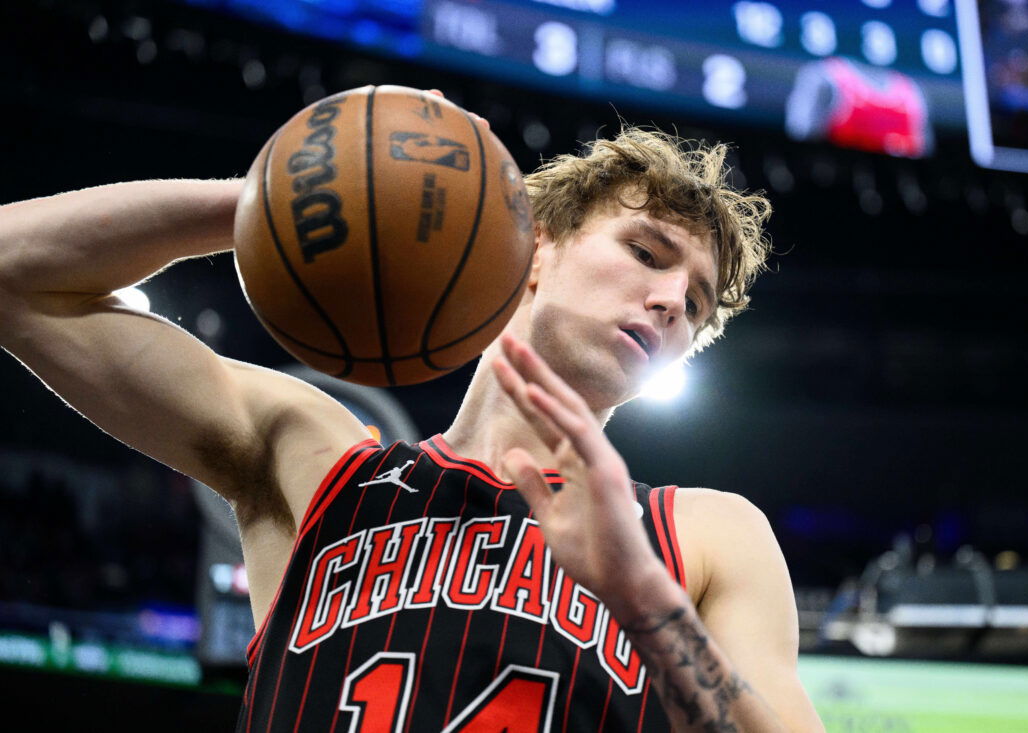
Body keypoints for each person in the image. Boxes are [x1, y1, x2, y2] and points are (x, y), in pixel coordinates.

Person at [0, 91, 823, 730]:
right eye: (646, 252)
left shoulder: (706, 536)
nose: (673, 298)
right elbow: (14, 275)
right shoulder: (319, 465)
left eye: (699, 299)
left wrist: (643, 597)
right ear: (532, 249)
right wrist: (274, 203)